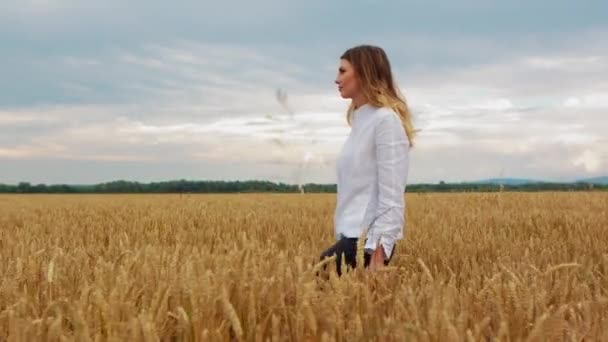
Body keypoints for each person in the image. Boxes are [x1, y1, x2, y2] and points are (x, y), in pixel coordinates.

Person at [319, 45, 415, 276]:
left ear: (363, 73)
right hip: (350, 236)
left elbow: (392, 194)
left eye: (343, 71)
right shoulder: (360, 122)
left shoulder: (385, 122)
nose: (336, 79)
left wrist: (378, 254)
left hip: (365, 243)